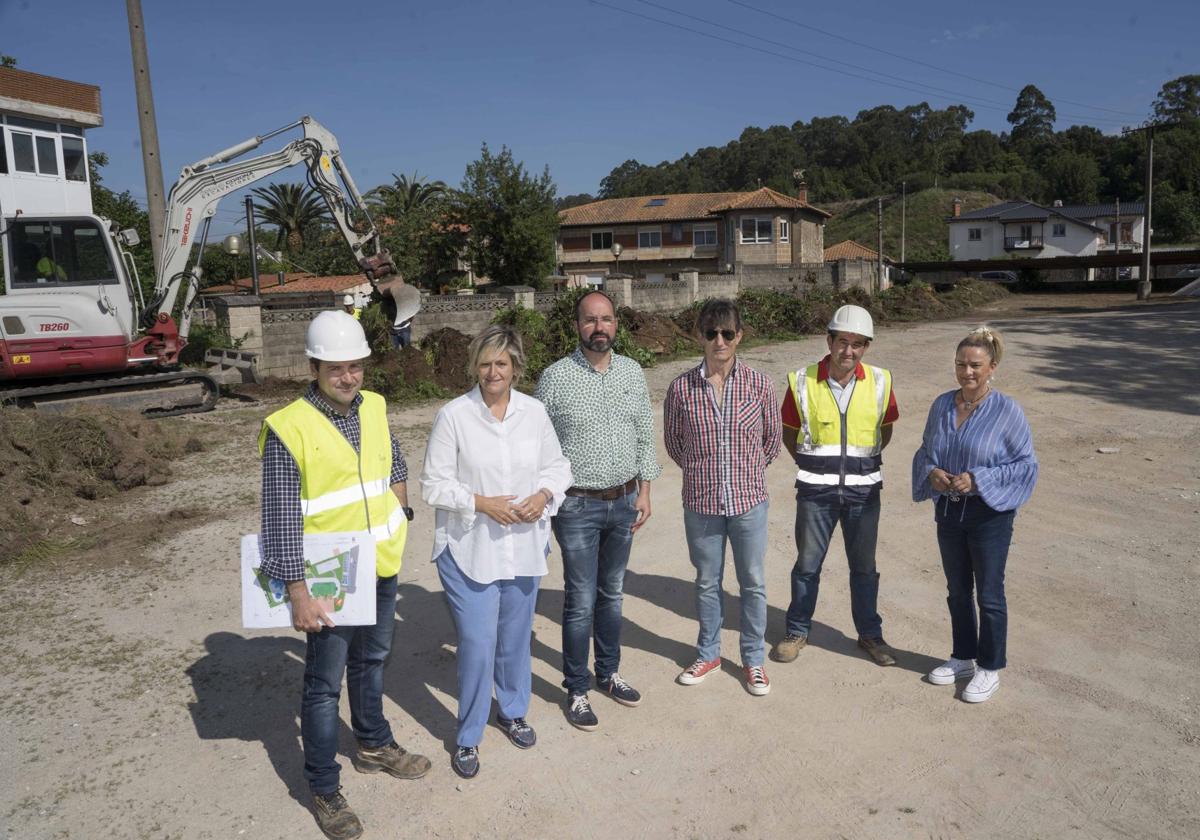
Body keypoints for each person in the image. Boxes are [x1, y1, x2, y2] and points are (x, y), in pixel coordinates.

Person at [257, 310, 429, 840]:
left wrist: (401, 513)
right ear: (314, 367)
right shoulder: (290, 427)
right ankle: (323, 785)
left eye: (355, 366)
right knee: (323, 684)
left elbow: (394, 462)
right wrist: (297, 592)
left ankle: (373, 744)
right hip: (327, 577)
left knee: (373, 659)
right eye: (336, 368)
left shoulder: (373, 406)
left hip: (378, 563)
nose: (348, 377)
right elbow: (280, 516)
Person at [420, 325, 572, 778]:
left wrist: (544, 496)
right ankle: (468, 736)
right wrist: (481, 503)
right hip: (470, 548)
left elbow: (558, 466)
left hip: (523, 547)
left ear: (515, 367)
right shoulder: (454, 416)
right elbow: (433, 484)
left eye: (501, 363)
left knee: (513, 640)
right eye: (485, 364)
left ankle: (511, 709)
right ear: (475, 367)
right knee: (478, 642)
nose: (493, 372)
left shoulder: (535, 413)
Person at [535, 290, 662, 731]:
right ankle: (577, 688)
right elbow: (538, 446)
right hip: (577, 507)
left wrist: (644, 491)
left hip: (625, 500)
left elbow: (645, 433)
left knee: (612, 594)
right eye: (590, 320)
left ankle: (608, 673)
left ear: (616, 324)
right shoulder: (554, 378)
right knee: (580, 599)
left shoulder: (631, 372)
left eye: (606, 319)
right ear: (576, 326)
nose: (599, 327)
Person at [912, 326, 1037, 703]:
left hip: (989, 516)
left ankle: (989, 666)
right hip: (949, 512)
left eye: (975, 365)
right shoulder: (942, 405)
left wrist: (978, 480)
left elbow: (1025, 465)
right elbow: (926, 451)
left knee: (989, 594)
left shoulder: (1007, 410)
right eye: (961, 364)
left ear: (992, 367)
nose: (967, 372)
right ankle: (963, 656)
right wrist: (931, 472)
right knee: (956, 591)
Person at [771, 304, 900, 668]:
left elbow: (884, 430)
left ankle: (870, 635)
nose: (849, 351)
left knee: (864, 569)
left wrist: (857, 465)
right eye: (842, 341)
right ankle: (797, 631)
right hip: (816, 493)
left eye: (858, 344)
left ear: (866, 347)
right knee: (807, 566)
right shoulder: (802, 380)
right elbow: (789, 432)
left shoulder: (880, 381)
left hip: (864, 492)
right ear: (828, 341)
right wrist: (816, 464)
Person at [664, 299, 782, 696]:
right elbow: (675, 443)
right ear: (700, 336)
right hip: (701, 504)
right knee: (706, 583)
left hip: (749, 501)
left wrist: (742, 473)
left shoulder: (760, 385)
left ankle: (753, 661)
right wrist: (706, 473)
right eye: (711, 332)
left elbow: (772, 441)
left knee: (753, 583)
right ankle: (709, 653)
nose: (719, 341)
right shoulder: (681, 388)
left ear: (739, 337)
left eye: (727, 333)